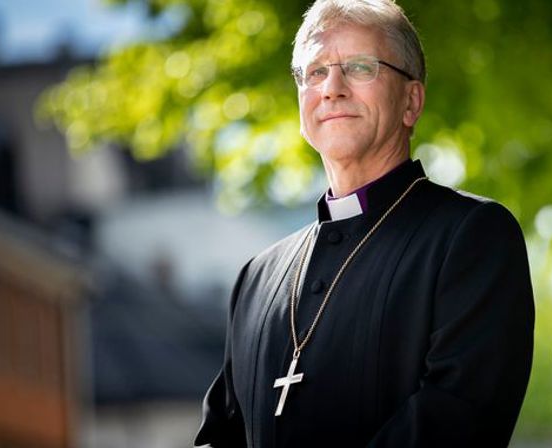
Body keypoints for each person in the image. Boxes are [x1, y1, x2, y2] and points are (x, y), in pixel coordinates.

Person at [194, 0, 534, 446]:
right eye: (315, 72)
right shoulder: (257, 278)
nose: (331, 88)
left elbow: (454, 420)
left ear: (411, 101)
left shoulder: (472, 237)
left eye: (359, 67)